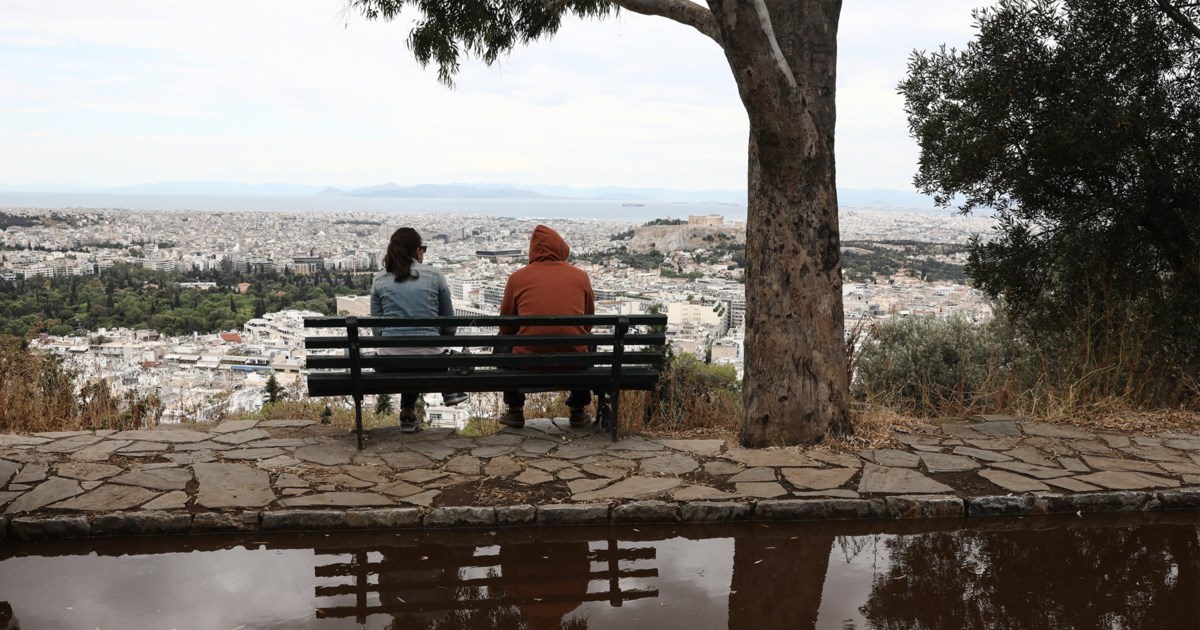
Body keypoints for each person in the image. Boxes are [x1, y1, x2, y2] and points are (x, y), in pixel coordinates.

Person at [370, 227, 467, 433]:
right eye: (423, 248)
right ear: (417, 251)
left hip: (388, 364)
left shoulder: (379, 280)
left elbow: (377, 332)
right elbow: (450, 325)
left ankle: (407, 413)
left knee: (408, 354)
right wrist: (435, 339)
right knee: (423, 352)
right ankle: (449, 389)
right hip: (431, 364)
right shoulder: (435, 276)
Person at [498, 224, 595, 428]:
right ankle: (578, 410)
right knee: (588, 342)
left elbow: (506, 327)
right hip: (574, 360)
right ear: (561, 247)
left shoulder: (517, 278)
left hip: (527, 360)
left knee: (501, 342)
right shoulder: (581, 276)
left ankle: (515, 409)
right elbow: (588, 324)